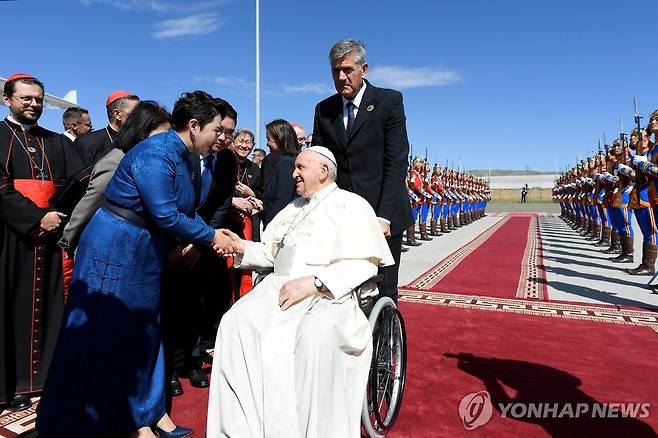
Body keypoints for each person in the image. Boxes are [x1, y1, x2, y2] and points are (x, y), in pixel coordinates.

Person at [36, 90, 233, 438]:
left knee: (147, 327)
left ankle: (148, 411)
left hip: (146, 247)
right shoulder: (155, 154)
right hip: (117, 245)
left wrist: (205, 234)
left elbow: (181, 211)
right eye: (216, 130)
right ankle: (118, 417)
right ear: (194, 126)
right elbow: (164, 213)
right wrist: (210, 236)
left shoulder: (184, 156)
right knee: (113, 329)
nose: (220, 137)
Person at [206, 146, 394, 438]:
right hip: (278, 289)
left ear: (323, 171)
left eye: (301, 168)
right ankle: (244, 429)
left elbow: (363, 265)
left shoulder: (352, 205)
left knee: (314, 336)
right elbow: (272, 254)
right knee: (235, 323)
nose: (294, 173)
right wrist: (240, 246)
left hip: (330, 294)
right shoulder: (292, 208)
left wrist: (315, 283)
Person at [0, 73, 83, 412]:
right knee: (10, 307)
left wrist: (56, 216)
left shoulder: (56, 141)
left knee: (50, 307)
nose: (34, 104)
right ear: (8, 100)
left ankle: (45, 379)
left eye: (38, 99)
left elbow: (75, 183)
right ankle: (13, 383)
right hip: (10, 238)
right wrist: (36, 218)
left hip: (50, 237)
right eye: (26, 99)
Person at [312, 39, 412, 301]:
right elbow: (320, 163)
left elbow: (396, 162)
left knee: (383, 292)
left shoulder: (389, 102)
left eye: (347, 70)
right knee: (342, 289)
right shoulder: (324, 110)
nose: (341, 77)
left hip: (382, 215)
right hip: (342, 217)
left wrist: (385, 216)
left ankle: (385, 342)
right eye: (336, 71)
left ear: (363, 69)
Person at [60, 101, 173, 253]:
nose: (165, 142)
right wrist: (69, 236)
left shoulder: (147, 158)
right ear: (142, 131)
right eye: (161, 135)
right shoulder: (119, 160)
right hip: (106, 245)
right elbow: (92, 201)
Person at [73, 90, 139, 168]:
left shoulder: (140, 141)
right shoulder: (86, 143)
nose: (141, 117)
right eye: (136, 113)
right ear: (117, 114)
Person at [259, 119, 300, 227]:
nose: (267, 144)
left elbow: (282, 202)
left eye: (269, 139)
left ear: (280, 138)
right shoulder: (288, 161)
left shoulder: (286, 164)